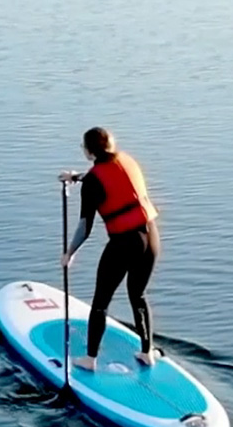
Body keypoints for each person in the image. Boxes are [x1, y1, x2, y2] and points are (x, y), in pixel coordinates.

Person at [59, 127, 162, 371]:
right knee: (138, 295)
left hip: (124, 244)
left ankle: (90, 359)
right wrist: (77, 177)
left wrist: (69, 254)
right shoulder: (127, 160)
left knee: (101, 302)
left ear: (88, 151)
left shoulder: (93, 180)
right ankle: (147, 352)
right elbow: (111, 178)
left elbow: (85, 227)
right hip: (151, 238)